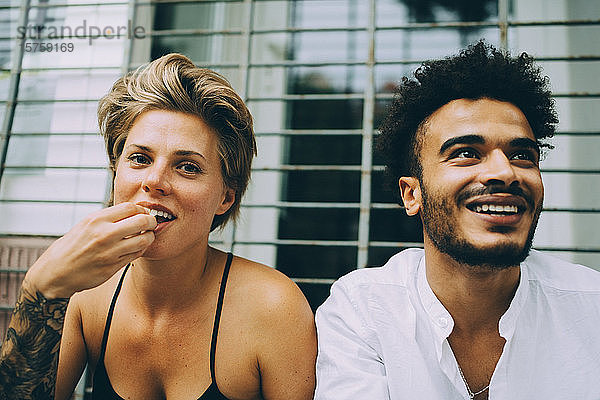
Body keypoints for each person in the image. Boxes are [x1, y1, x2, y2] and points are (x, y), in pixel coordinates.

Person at [0, 53, 317, 400]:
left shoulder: (273, 308)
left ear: (226, 198)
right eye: (140, 158)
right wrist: (40, 290)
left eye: (187, 167)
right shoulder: (86, 293)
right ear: (115, 171)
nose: (154, 181)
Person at [314, 41, 600, 399]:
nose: (505, 172)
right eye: (466, 153)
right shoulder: (363, 311)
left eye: (522, 155)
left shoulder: (592, 307)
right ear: (411, 194)